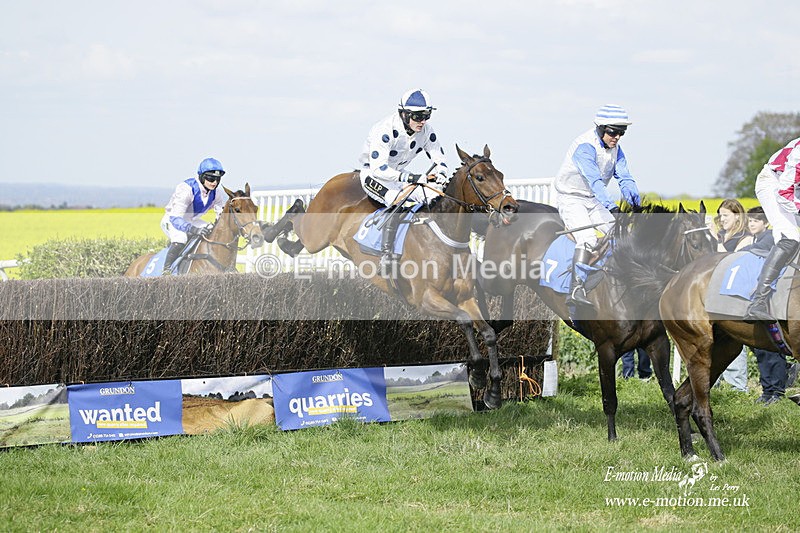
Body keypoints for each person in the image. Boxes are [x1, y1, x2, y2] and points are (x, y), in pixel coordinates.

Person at [554, 104, 641, 307]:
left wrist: (636, 205)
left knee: (621, 234)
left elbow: (625, 178)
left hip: (592, 200)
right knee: (588, 238)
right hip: (571, 198)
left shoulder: (617, 150)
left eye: (622, 132)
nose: (617, 137)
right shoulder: (585, 147)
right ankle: (576, 288)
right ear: (601, 128)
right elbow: (595, 181)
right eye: (613, 132)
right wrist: (612, 207)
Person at [356, 89, 450, 268]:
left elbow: (440, 159)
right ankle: (386, 255)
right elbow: (380, 169)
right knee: (397, 200)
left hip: (400, 175)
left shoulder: (426, 130)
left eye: (426, 115)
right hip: (374, 175)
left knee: (436, 197)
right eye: (417, 116)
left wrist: (441, 175)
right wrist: (415, 177)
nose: (422, 121)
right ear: (404, 114)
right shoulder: (384, 130)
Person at [744, 137, 800, 321]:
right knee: (790, 237)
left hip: (792, 188)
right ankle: (758, 301)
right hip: (774, 184)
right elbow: (784, 193)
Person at [743, 206, 790, 405]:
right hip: (758, 296)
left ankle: (777, 392)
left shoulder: (770, 237)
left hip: (772, 298)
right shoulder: (755, 239)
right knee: (761, 349)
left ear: (766, 223)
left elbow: (755, 252)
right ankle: (767, 390)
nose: (751, 224)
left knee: (772, 349)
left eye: (755, 221)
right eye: (750, 221)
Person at [160, 157, 227, 274]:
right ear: (201, 176)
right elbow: (176, 218)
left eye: (217, 179)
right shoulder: (187, 189)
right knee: (181, 239)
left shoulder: (217, 194)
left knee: (211, 230)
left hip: (191, 220)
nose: (214, 182)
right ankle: (166, 270)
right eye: (211, 178)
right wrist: (194, 229)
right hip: (172, 220)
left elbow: (221, 215)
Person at [714, 199, 753, 392]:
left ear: (737, 216)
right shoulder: (721, 234)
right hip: (717, 290)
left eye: (726, 215)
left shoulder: (745, 237)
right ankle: (717, 382)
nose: (722, 220)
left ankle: (737, 386)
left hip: (736, 291)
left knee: (734, 334)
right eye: (720, 215)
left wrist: (717, 243)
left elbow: (734, 261)